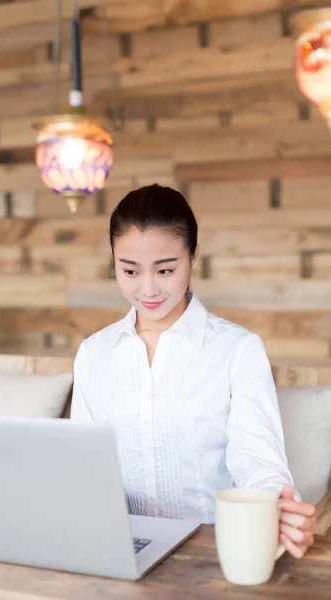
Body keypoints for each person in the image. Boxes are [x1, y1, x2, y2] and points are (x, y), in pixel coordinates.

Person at [71, 183, 317, 559]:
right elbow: (81, 470)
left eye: (166, 269)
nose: (148, 289)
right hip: (115, 553)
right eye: (130, 270)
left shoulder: (238, 351)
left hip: (213, 556)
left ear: (193, 257)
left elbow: (259, 463)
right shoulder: (94, 354)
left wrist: (278, 511)